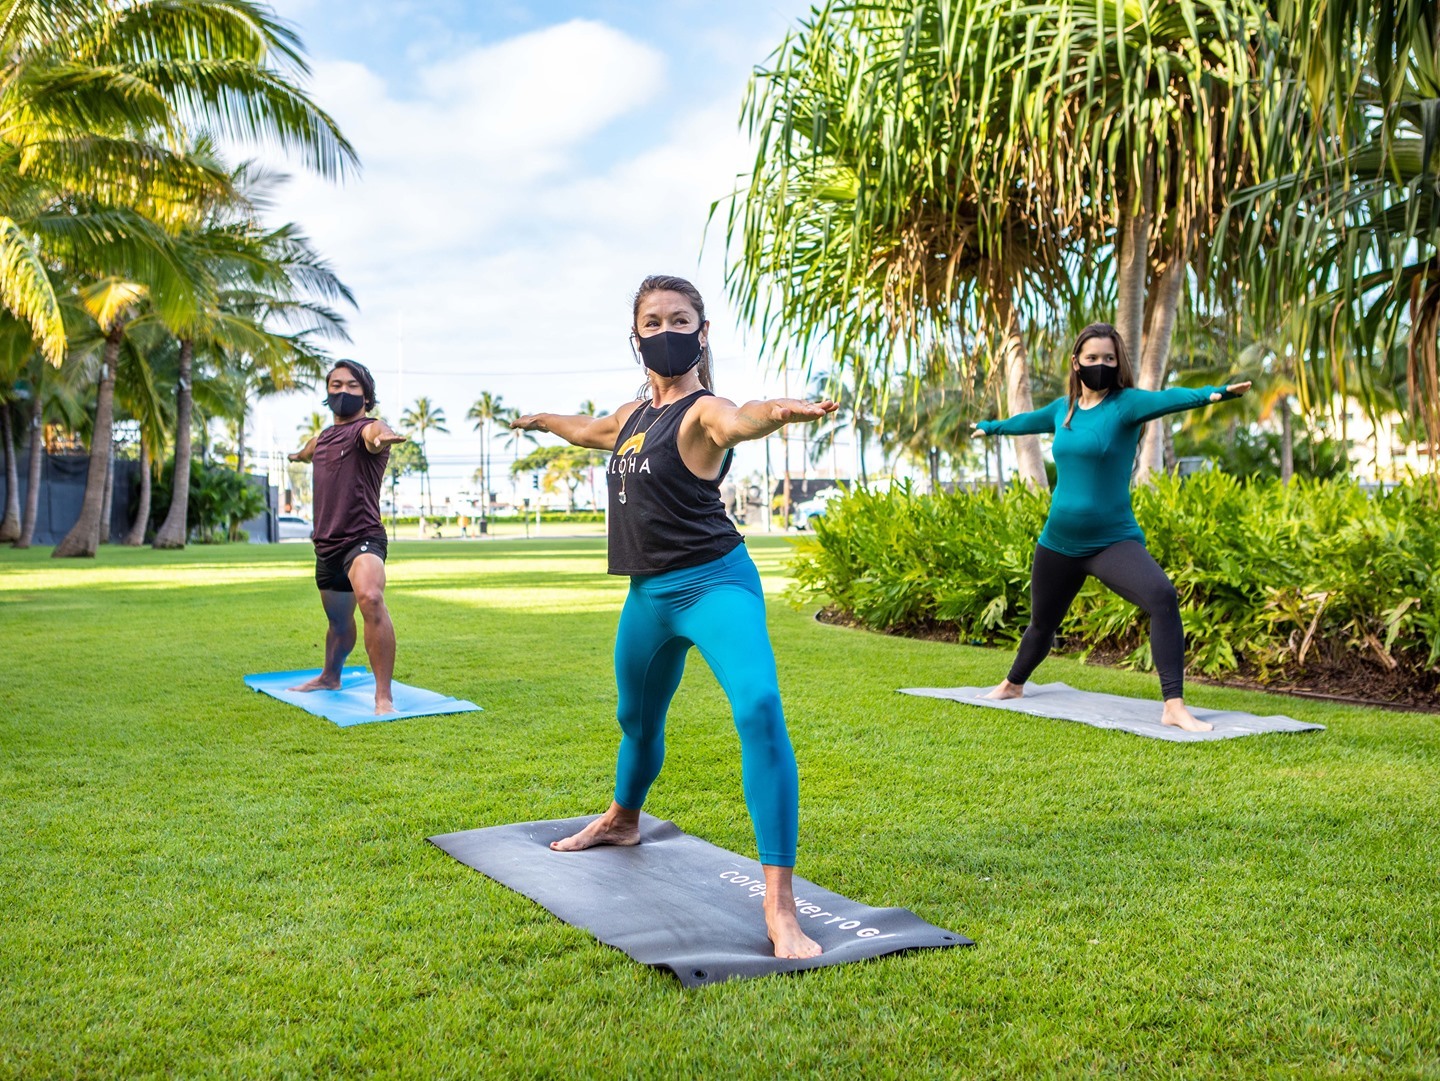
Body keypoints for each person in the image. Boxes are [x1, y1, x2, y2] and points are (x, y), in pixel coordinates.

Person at [511, 274, 837, 959]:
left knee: (759, 706)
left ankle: (780, 905)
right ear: (636, 336)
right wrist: (543, 419)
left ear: (702, 331)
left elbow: (739, 418)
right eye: (653, 321)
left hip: (716, 584)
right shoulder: (631, 419)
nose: (666, 331)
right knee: (637, 721)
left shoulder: (703, 410)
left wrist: (775, 411)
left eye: (679, 319)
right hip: (648, 599)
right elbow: (586, 430)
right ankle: (623, 817)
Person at [974, 323, 1251, 731]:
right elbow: (1027, 421)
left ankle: (1173, 705)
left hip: (1110, 541)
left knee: (1162, 596)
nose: (1101, 365)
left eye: (1109, 358)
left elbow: (1168, 399)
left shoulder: (1126, 405)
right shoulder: (1062, 410)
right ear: (1076, 363)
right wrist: (992, 427)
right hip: (1058, 542)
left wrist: (1214, 393)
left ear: (1118, 362)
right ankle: (1013, 684)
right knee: (1042, 625)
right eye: (1092, 358)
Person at [287, 360, 408, 714]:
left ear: (366, 397)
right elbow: (308, 452)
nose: (343, 392)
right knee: (339, 624)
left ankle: (383, 697)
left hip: (363, 537)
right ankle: (329, 676)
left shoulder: (367, 428)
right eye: (336, 385)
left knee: (370, 598)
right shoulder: (322, 438)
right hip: (326, 543)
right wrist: (296, 454)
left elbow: (375, 436)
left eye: (352, 386)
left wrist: (382, 436)